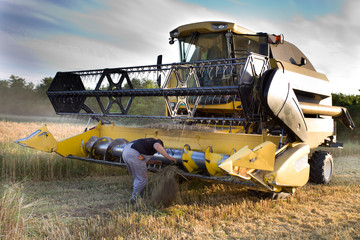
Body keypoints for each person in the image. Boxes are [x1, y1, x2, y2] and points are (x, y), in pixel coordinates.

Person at [122, 138, 176, 203]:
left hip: (126, 153)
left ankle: (137, 195)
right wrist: (169, 157)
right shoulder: (155, 142)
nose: (157, 152)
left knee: (137, 177)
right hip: (134, 154)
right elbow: (157, 146)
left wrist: (154, 162)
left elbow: (142, 160)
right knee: (142, 178)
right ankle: (135, 199)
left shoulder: (146, 143)